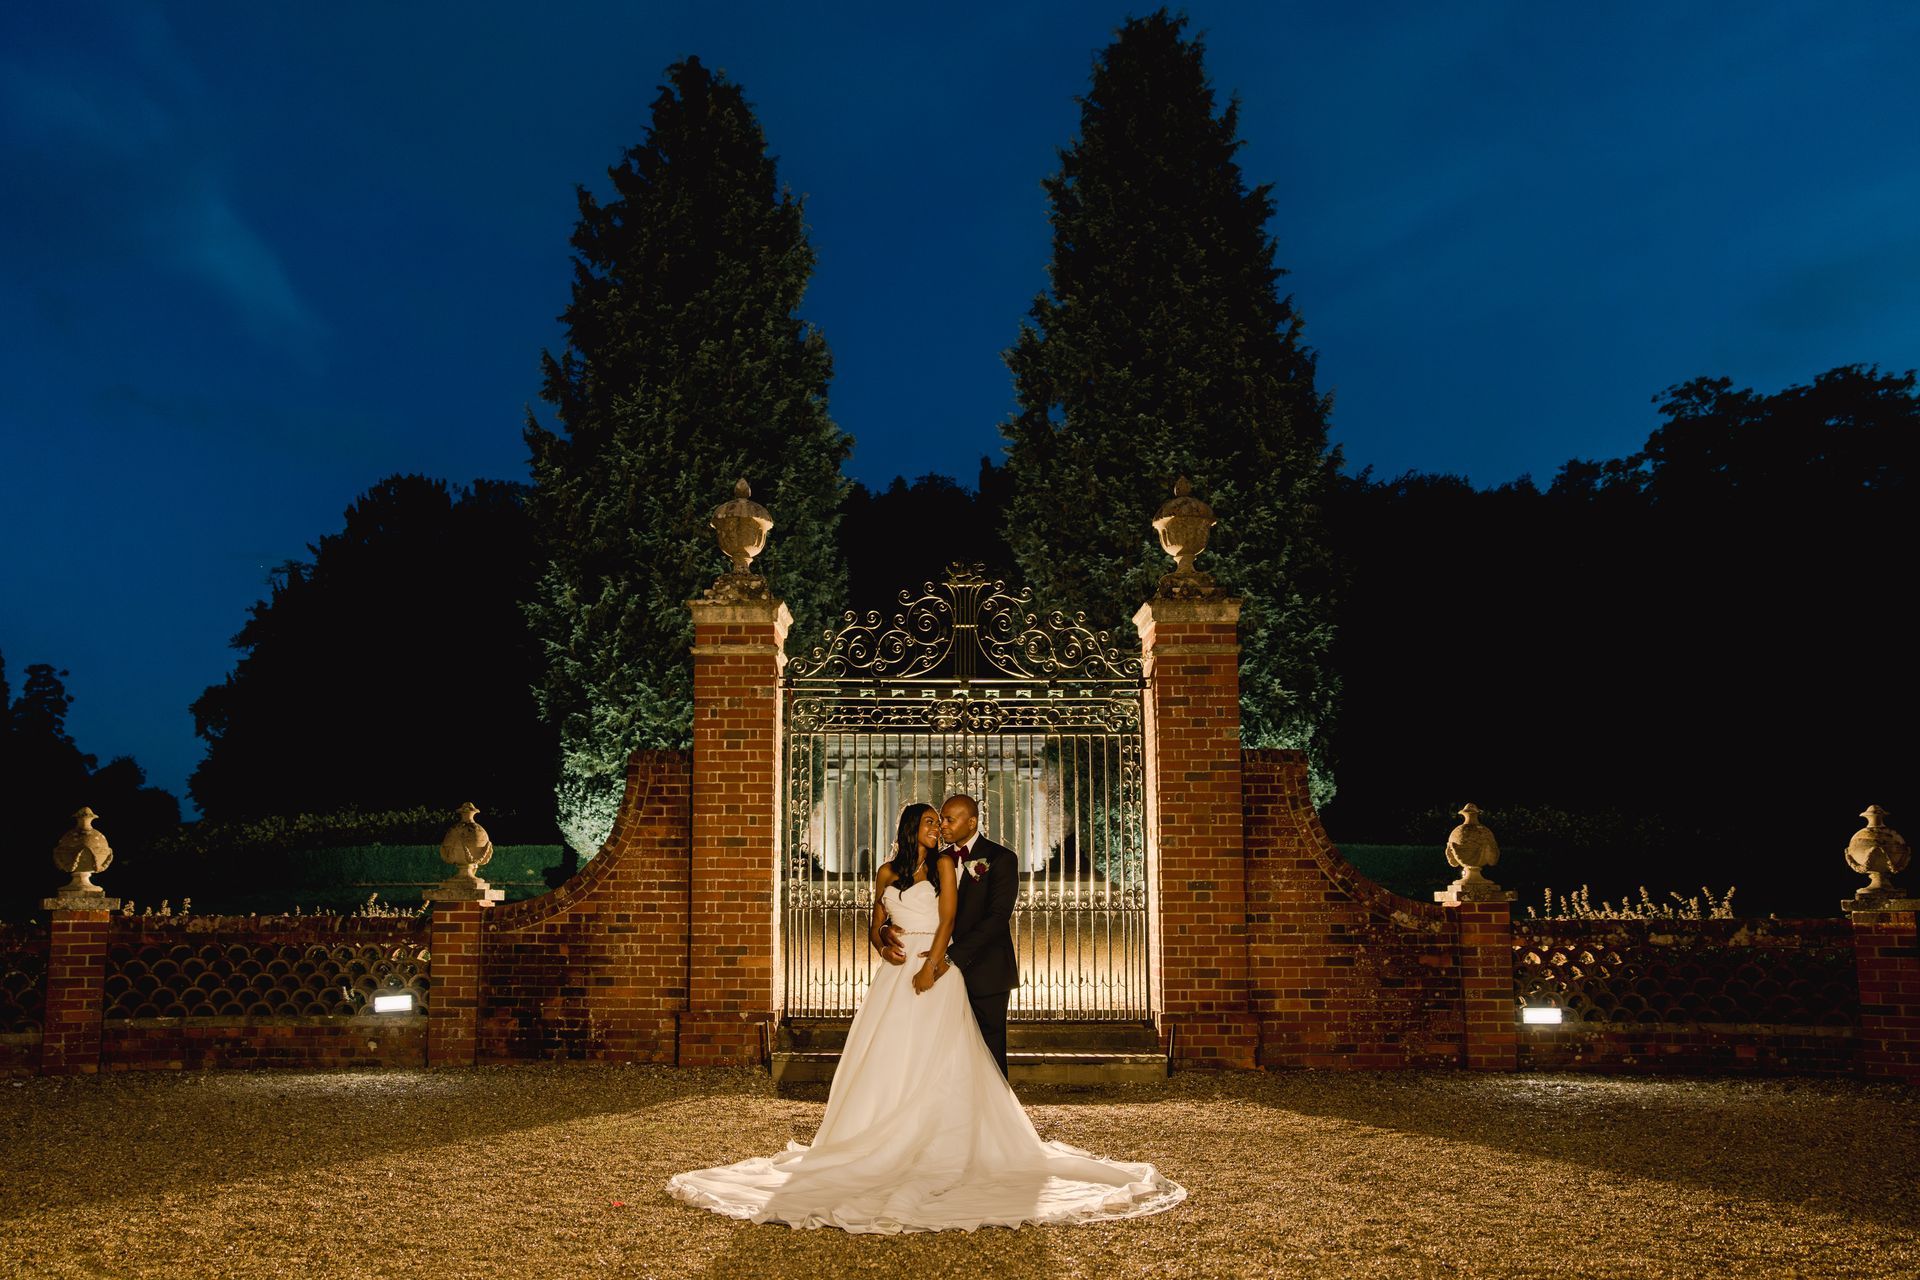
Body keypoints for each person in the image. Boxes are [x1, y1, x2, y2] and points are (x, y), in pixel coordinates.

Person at [665, 801, 1184, 1233]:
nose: (941, 828)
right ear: (915, 827)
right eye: (934, 821)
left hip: (941, 970)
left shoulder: (958, 865)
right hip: (894, 975)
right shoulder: (889, 871)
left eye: (948, 820)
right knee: (889, 1055)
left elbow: (955, 918)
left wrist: (935, 965)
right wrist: (879, 939)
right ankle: (879, 1137)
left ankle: (960, 1140)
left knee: (956, 1057)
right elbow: (876, 918)